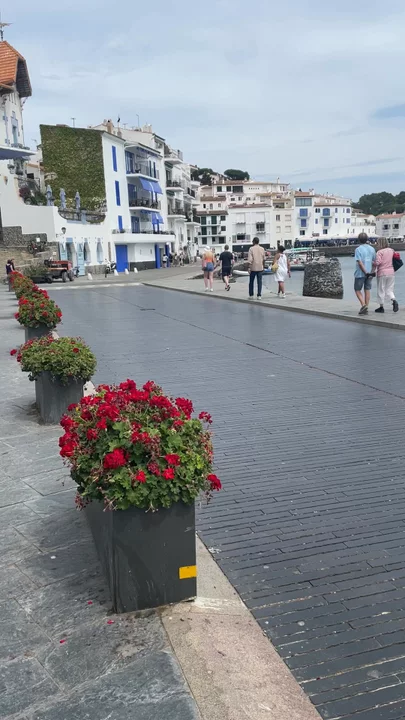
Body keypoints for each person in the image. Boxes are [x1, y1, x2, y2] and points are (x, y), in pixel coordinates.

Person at [354, 233, 376, 315]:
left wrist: (365, 272)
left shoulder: (358, 249)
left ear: (359, 240)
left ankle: (363, 305)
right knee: (367, 289)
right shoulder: (372, 249)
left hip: (360, 273)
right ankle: (366, 306)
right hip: (370, 273)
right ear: (367, 239)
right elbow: (374, 262)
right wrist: (372, 272)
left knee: (357, 289)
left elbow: (360, 263)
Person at [375, 237, 399, 313]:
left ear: (380, 243)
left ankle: (381, 307)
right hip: (391, 272)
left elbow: (378, 262)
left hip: (382, 273)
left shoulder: (379, 252)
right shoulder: (391, 250)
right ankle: (394, 300)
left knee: (381, 290)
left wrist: (372, 262)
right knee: (389, 289)